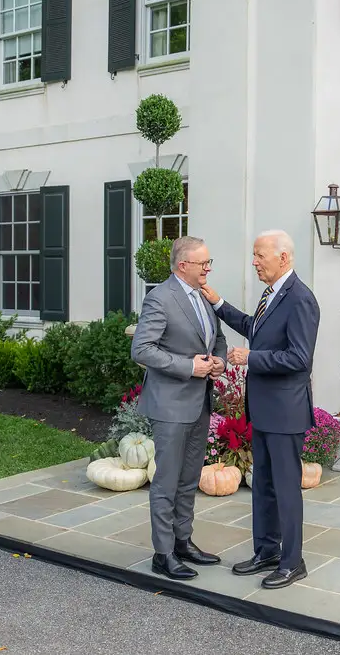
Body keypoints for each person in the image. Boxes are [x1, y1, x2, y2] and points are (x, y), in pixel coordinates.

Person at [201, 229, 320, 590]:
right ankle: (267, 550)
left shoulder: (300, 299)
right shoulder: (271, 295)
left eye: (259, 255)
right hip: (265, 411)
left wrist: (252, 357)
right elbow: (256, 329)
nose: (254, 262)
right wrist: (220, 304)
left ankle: (292, 561)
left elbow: (300, 358)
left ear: (283, 258)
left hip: (285, 414)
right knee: (264, 486)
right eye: (254, 255)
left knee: (286, 488)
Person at [131, 235, 227, 581]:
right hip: (170, 406)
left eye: (209, 262)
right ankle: (163, 553)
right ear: (183, 265)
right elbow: (142, 350)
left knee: (189, 480)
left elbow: (217, 337)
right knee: (167, 482)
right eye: (204, 263)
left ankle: (184, 542)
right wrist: (190, 367)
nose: (208, 269)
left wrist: (217, 361)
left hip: (199, 402)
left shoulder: (203, 296)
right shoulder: (160, 298)